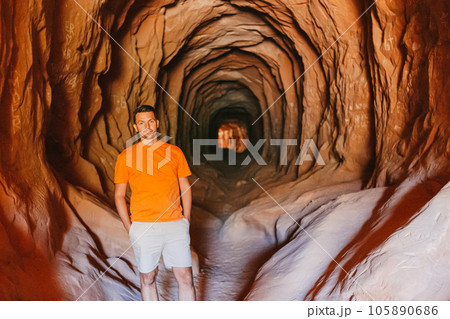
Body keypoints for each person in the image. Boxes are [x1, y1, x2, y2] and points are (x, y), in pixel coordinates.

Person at [114, 105, 195, 301]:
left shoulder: (174, 152)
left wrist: (187, 219)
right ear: (135, 127)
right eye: (141, 123)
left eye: (150, 121)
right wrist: (129, 227)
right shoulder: (125, 157)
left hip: (175, 223)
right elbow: (119, 196)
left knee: (185, 277)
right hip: (143, 226)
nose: (147, 126)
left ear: (157, 123)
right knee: (148, 278)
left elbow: (185, 186)